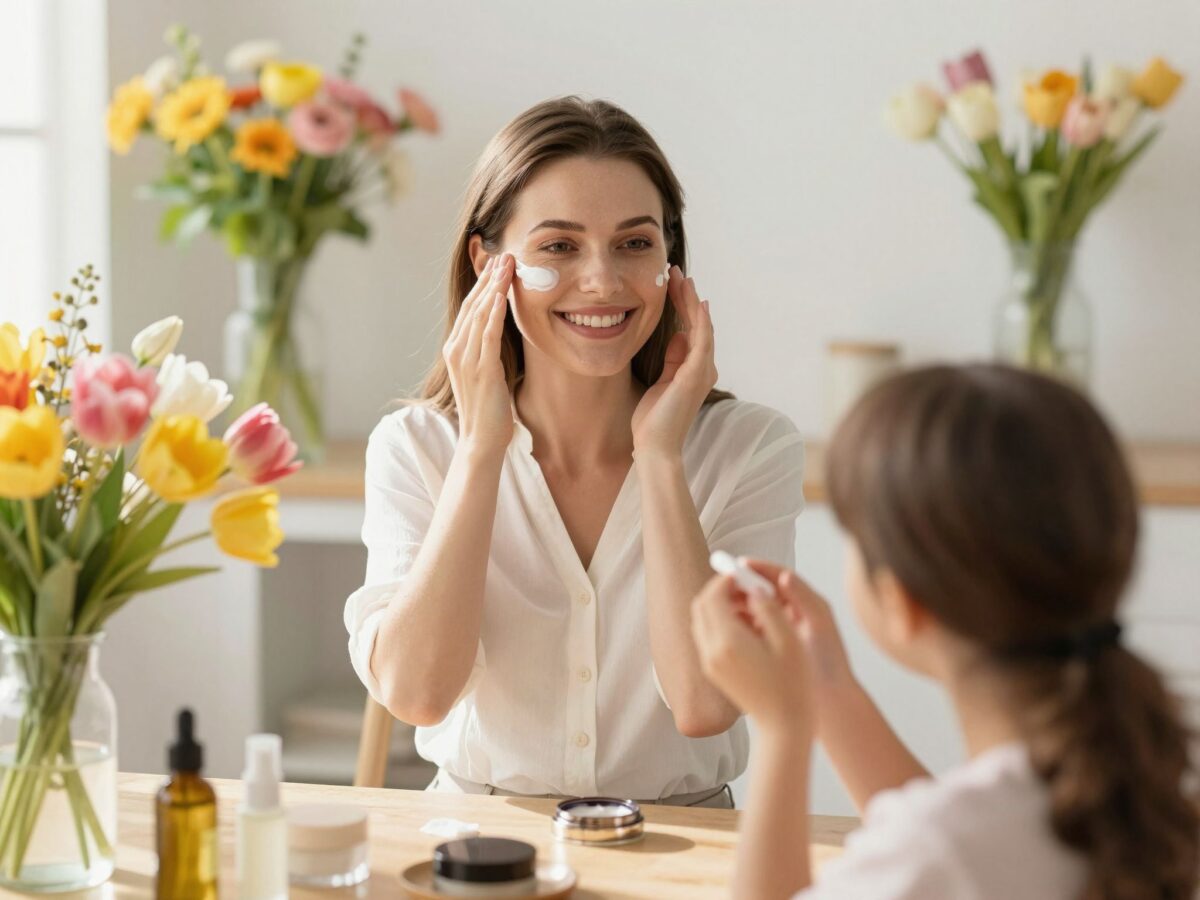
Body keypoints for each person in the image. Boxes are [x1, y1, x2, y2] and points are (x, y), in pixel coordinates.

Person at [344, 96, 804, 805]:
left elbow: (705, 704)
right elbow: (417, 694)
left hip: (689, 844)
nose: (603, 280)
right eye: (559, 246)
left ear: (670, 260)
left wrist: (660, 459)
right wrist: (481, 451)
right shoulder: (415, 448)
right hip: (481, 839)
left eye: (635, 243)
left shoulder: (750, 448)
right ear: (488, 263)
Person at [693, 363, 1199, 897]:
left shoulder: (938, 854)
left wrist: (782, 729)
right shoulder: (1128, 795)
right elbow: (954, 835)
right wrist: (828, 686)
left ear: (901, 600)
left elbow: (939, 849)